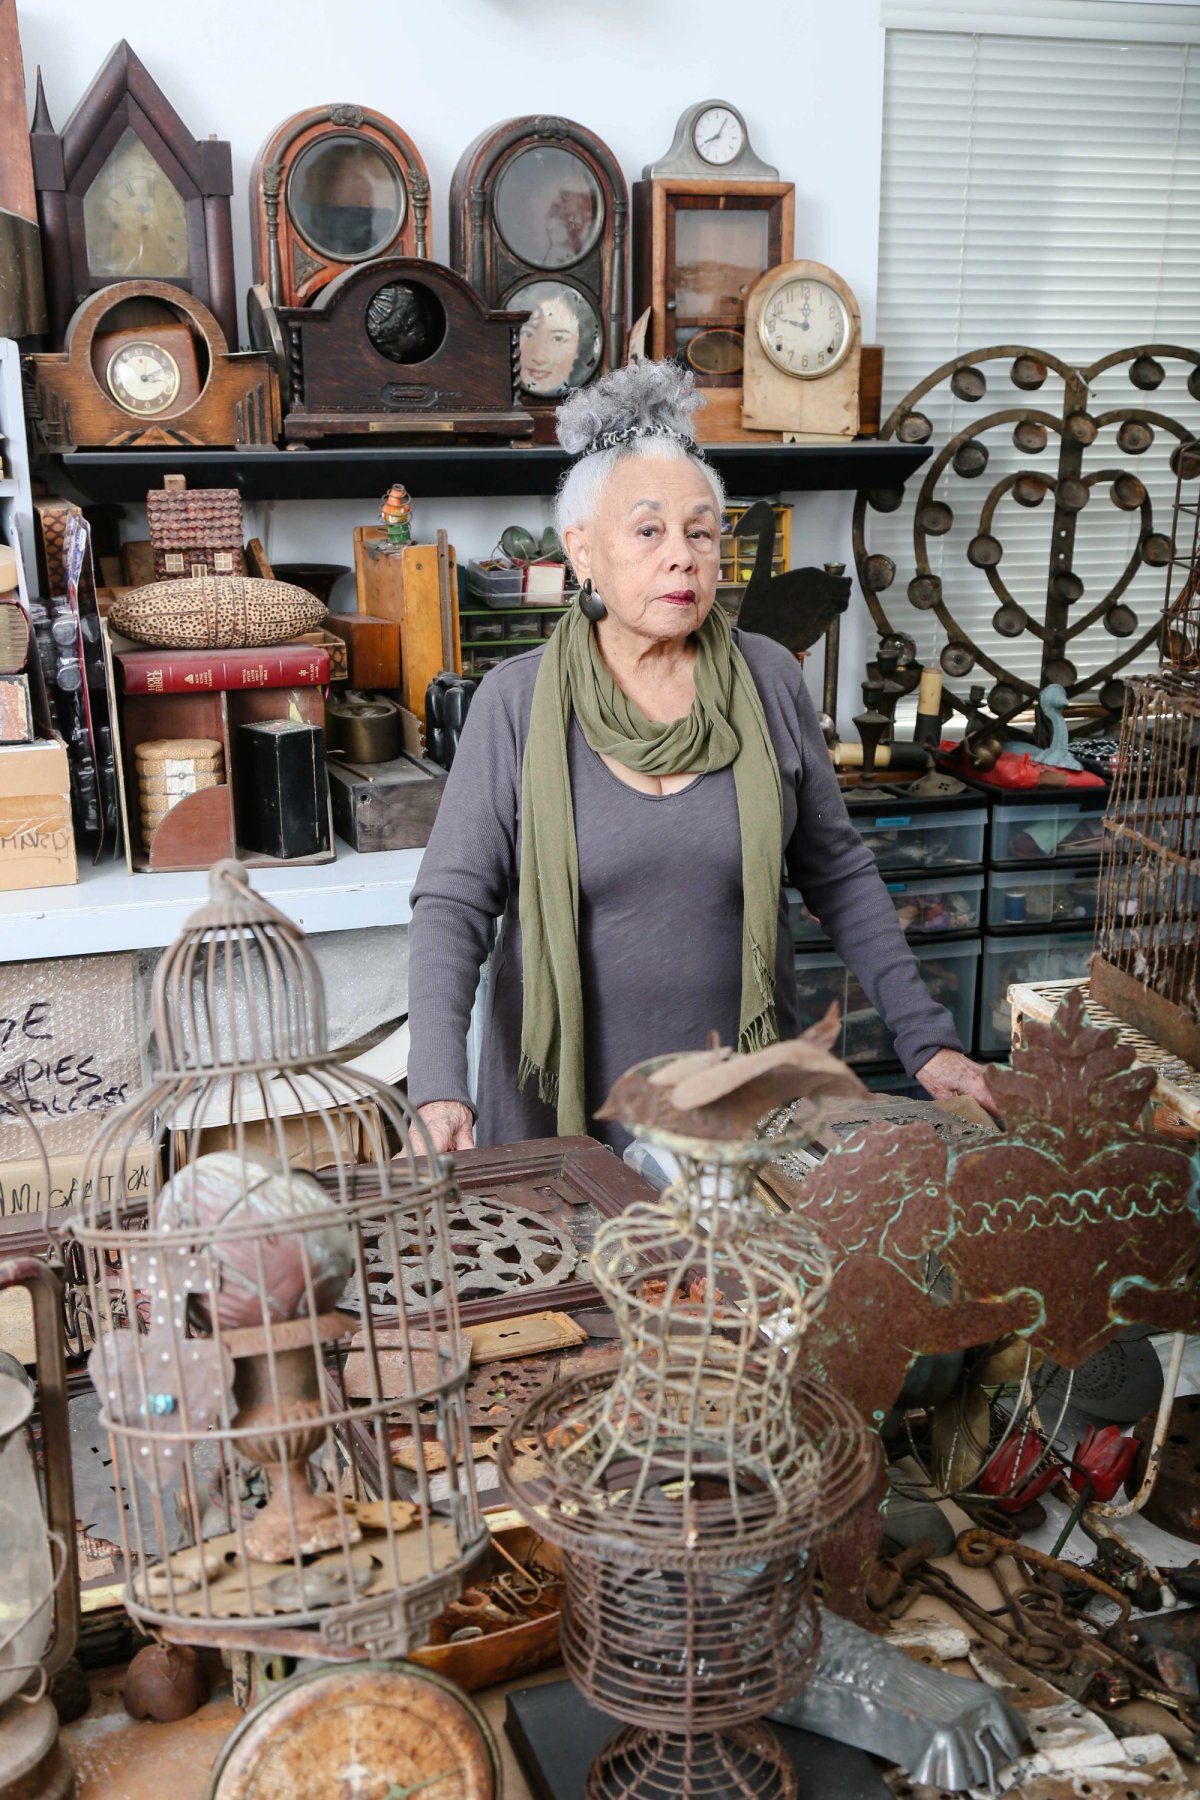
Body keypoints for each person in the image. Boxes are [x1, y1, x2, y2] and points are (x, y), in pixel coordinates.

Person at [407, 360, 996, 1155]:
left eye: (700, 531)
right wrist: (439, 1086)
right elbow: (452, 906)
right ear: (583, 551)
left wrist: (929, 1039)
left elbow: (842, 874)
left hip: (740, 1105)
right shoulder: (517, 702)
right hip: (562, 1107)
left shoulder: (769, 680)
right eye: (647, 530)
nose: (680, 556)